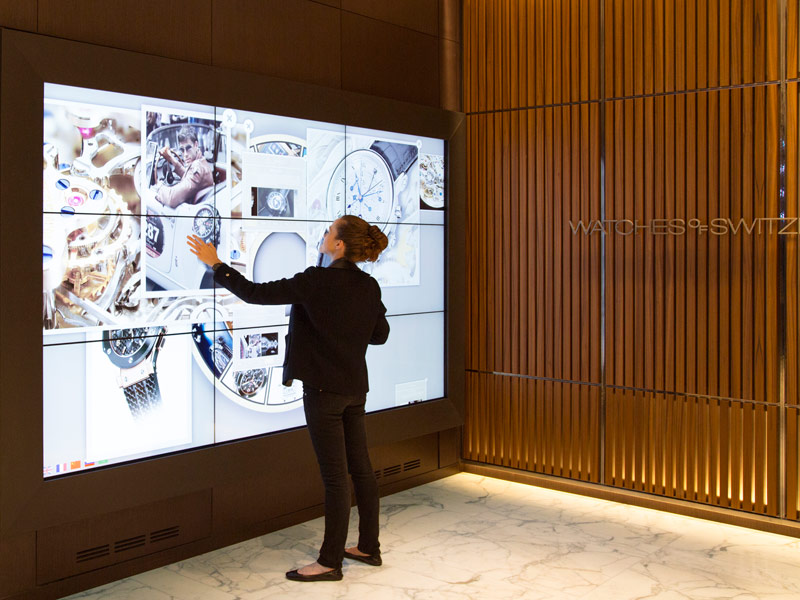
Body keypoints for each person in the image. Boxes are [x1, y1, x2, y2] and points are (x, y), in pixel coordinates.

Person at [187, 216, 390, 582]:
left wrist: (216, 264)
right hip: (354, 390)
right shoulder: (369, 285)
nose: (324, 235)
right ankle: (368, 547)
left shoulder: (315, 280)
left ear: (340, 244)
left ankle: (329, 562)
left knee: (335, 479)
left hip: (323, 393)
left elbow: (255, 293)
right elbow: (380, 335)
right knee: (361, 469)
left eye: (330, 231)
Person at [156, 125, 215, 208]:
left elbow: (171, 198)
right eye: (182, 150)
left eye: (188, 148)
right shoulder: (200, 161)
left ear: (196, 144)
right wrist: (171, 159)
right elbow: (189, 176)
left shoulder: (197, 168)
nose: (185, 154)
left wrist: (159, 187)